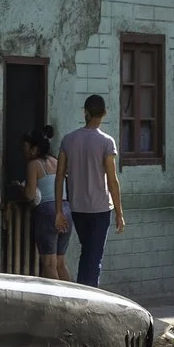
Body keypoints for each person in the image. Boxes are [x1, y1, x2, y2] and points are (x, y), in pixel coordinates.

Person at [59, 95, 125, 288]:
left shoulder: (68, 140)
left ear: (85, 112)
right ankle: (89, 297)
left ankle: (82, 292)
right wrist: (120, 213)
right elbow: (112, 181)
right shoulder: (106, 142)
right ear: (104, 113)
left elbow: (59, 176)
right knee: (94, 257)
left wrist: (58, 210)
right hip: (100, 209)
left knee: (88, 252)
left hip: (77, 207)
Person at [20, 127, 69, 281]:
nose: (23, 151)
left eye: (25, 148)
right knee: (60, 263)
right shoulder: (56, 160)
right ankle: (73, 299)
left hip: (48, 214)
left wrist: (20, 188)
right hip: (66, 210)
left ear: (34, 149)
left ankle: (57, 302)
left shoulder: (33, 165)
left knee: (49, 264)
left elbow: (30, 194)